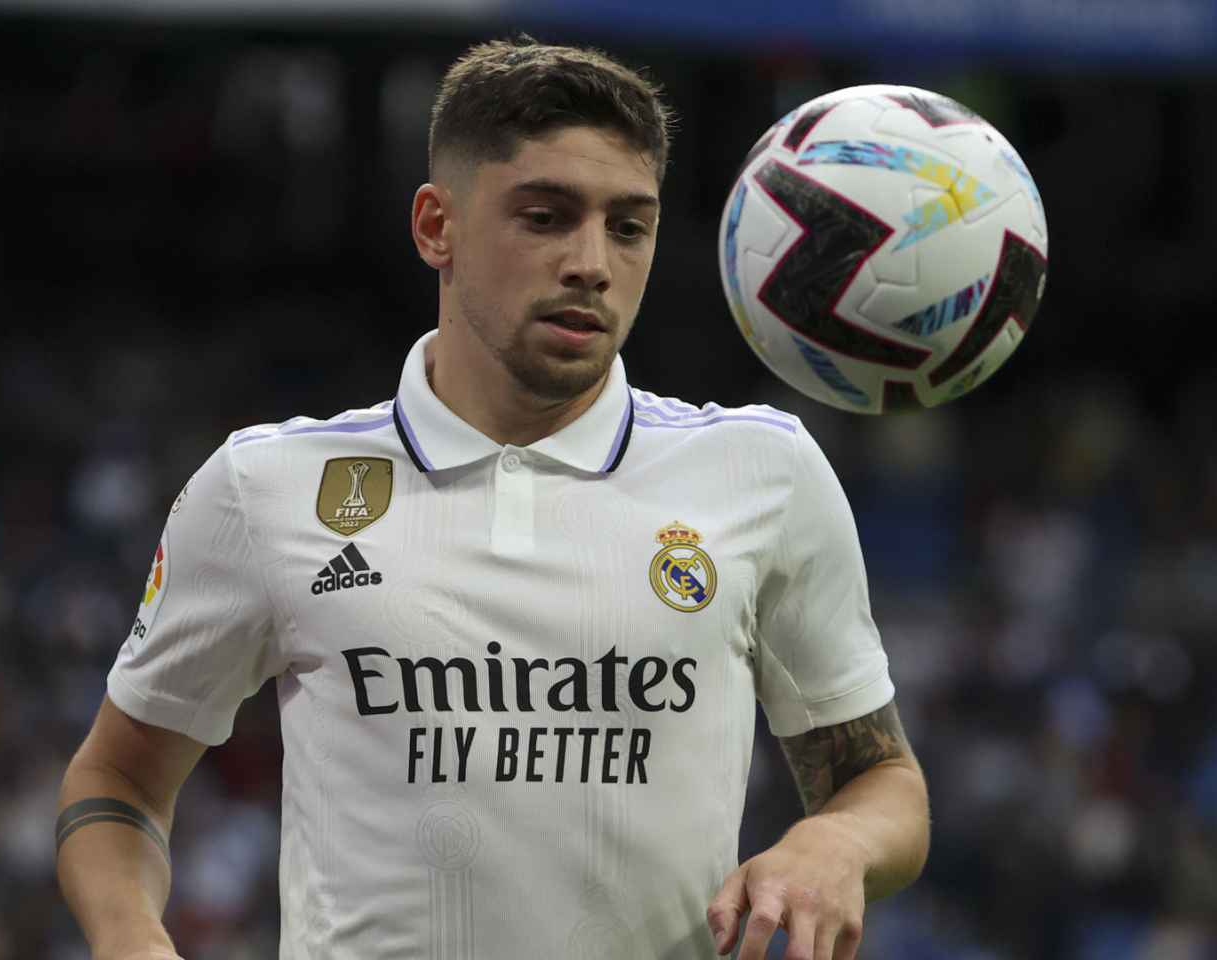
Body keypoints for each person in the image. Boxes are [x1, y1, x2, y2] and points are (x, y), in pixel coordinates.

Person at [55, 36, 929, 960]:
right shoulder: (265, 488)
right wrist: (127, 937)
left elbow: (881, 780)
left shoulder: (762, 471)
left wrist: (835, 841)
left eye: (628, 227)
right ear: (438, 226)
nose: (591, 261)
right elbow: (118, 777)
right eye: (546, 217)